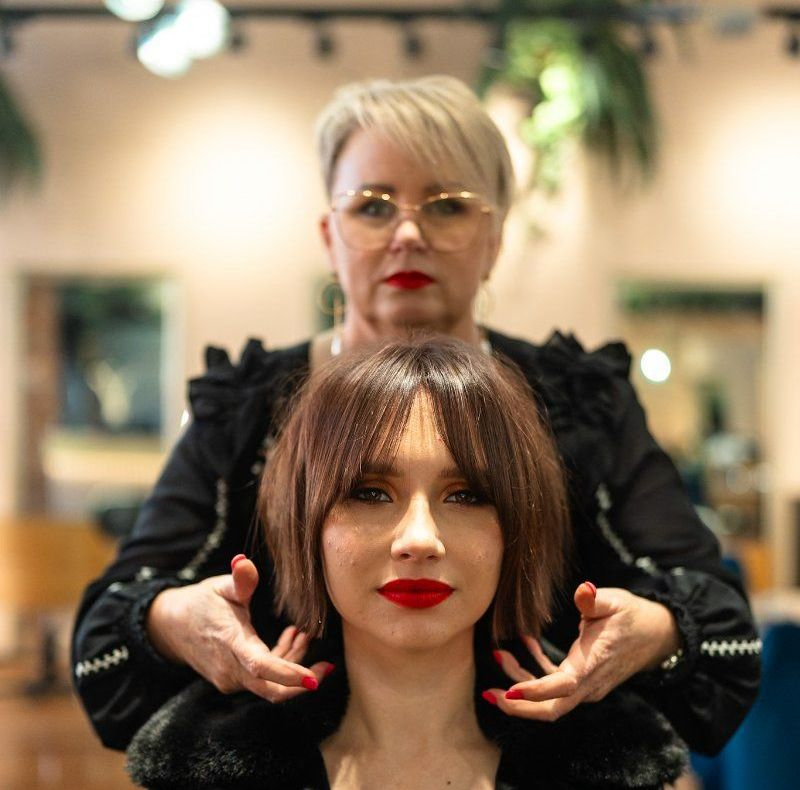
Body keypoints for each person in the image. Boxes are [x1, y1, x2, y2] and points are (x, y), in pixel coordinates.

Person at [72, 75, 760, 755]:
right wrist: (169, 621)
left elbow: (717, 615)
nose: (408, 232)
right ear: (329, 235)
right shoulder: (248, 409)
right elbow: (109, 629)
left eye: (448, 206)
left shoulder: (579, 406)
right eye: (373, 207)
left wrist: (659, 629)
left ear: (493, 238)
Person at [126, 339, 689, 790]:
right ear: (307, 526)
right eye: (370, 493)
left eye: (466, 494)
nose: (419, 541)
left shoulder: (619, 767)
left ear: (518, 529)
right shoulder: (199, 768)